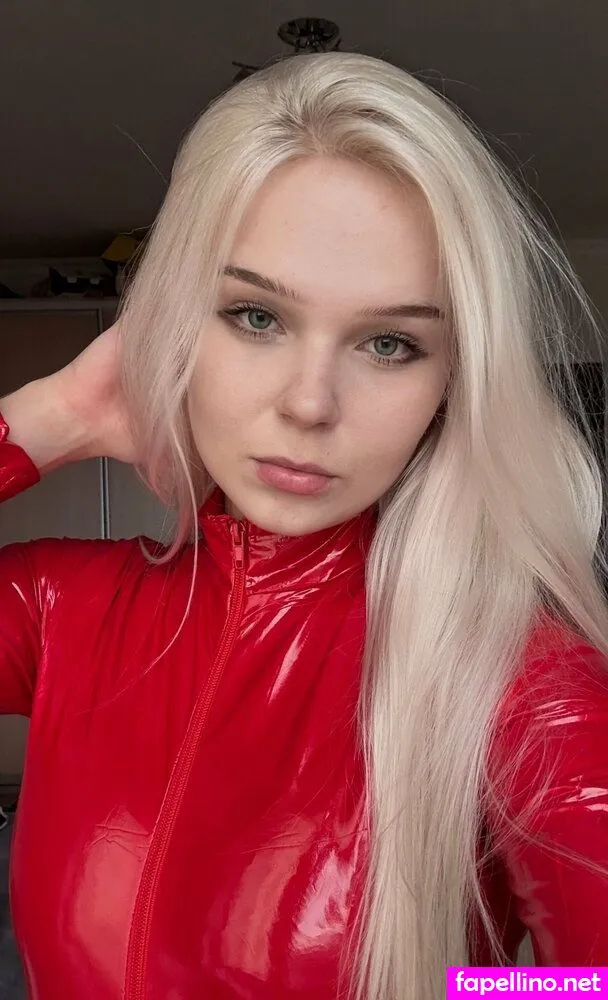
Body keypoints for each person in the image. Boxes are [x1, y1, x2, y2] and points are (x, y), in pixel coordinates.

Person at [1, 50, 608, 1000]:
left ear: (453, 381)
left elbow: (588, 985)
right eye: (255, 316)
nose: (311, 403)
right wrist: (49, 419)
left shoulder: (521, 684)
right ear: (175, 323)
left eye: (389, 343)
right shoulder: (61, 609)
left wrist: (471, 991)